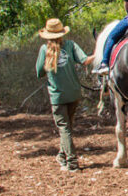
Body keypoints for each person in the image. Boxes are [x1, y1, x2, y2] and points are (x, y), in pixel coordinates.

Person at [36, 18, 95, 172]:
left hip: (58, 95)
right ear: (62, 33)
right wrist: (99, 52)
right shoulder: (70, 45)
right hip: (74, 93)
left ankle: (72, 162)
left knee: (64, 129)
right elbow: (85, 61)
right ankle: (62, 156)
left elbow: (39, 72)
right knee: (67, 127)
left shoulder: (44, 50)